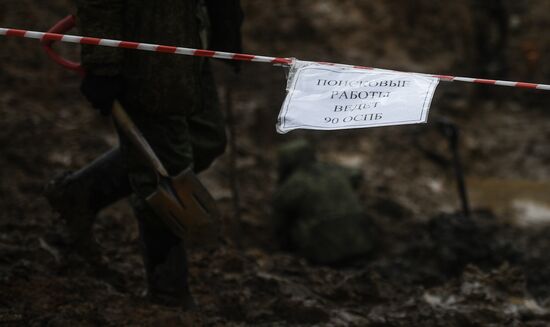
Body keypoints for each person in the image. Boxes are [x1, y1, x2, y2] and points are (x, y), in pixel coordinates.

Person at [43, 0, 243, 309]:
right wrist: (103, 64)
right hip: (143, 53)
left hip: (189, 43)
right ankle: (169, 296)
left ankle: (80, 193)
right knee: (164, 169)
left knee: (206, 139)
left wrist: (226, 31)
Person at [272, 140, 373, 265]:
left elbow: (279, 213)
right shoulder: (333, 169)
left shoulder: (294, 183)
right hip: (362, 242)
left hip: (325, 252)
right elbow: (357, 174)